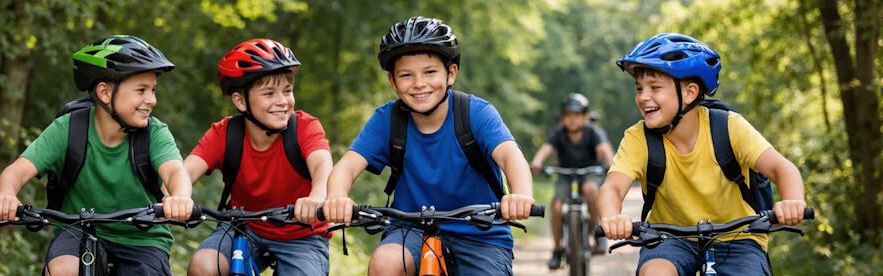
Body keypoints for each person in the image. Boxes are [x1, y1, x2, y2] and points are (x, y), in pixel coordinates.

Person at [320, 16, 536, 275]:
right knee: (385, 264)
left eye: (430, 72)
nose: (419, 83)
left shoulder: (475, 113)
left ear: (451, 73)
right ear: (393, 81)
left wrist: (521, 194)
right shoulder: (387, 119)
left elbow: (510, 157)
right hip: (409, 230)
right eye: (406, 75)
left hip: (480, 233)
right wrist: (337, 197)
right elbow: (347, 166)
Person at [597, 33, 808, 276]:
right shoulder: (638, 138)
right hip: (668, 240)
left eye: (655, 87)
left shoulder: (728, 127)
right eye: (639, 88)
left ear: (689, 93)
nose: (643, 97)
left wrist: (793, 200)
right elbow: (612, 187)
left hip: (738, 239)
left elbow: (782, 168)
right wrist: (612, 216)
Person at [0, 35, 194, 275]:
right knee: (63, 269)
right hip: (77, 231)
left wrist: (180, 197)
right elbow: (16, 171)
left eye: (153, 90)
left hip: (142, 238)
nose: (151, 100)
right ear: (105, 93)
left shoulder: (155, 134)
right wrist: (6, 195)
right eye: (141, 90)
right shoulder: (68, 129)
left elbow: (175, 171)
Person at [184, 39, 332, 276]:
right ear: (240, 100)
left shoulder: (305, 127)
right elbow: (185, 172)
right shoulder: (225, 133)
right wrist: (176, 196)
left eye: (287, 91)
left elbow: (322, 164)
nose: (283, 101)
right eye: (269, 93)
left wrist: (318, 196)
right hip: (244, 228)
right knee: (204, 266)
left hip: (302, 235)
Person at [529, 93, 614, 269]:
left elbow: (605, 151)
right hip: (566, 174)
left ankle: (597, 231)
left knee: (591, 190)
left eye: (577, 115)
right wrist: (537, 163)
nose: (572, 119)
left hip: (590, 172)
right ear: (562, 118)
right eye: (568, 115)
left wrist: (612, 165)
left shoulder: (593, 132)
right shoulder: (559, 133)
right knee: (558, 206)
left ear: (585, 117)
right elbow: (545, 149)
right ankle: (557, 249)